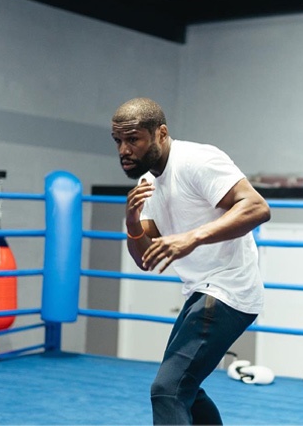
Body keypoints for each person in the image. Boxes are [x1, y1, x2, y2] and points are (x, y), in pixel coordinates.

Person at [111, 97, 271, 425]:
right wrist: (132, 224)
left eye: (133, 139)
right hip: (201, 291)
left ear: (161, 133)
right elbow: (146, 259)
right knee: (187, 389)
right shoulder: (147, 185)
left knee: (167, 390)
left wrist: (192, 237)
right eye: (118, 141)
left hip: (229, 290)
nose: (124, 150)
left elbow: (257, 208)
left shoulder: (196, 160)